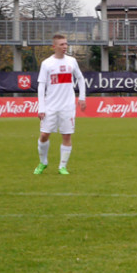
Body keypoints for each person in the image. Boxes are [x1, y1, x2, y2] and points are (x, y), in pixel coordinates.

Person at [35, 34, 87, 175]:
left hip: (67, 106)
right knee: (44, 135)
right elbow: (41, 86)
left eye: (66, 44)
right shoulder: (47, 64)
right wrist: (41, 107)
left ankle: (62, 166)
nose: (65, 46)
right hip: (50, 106)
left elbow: (81, 79)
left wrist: (82, 98)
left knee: (67, 136)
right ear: (54, 47)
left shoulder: (72, 61)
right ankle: (43, 162)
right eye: (62, 44)